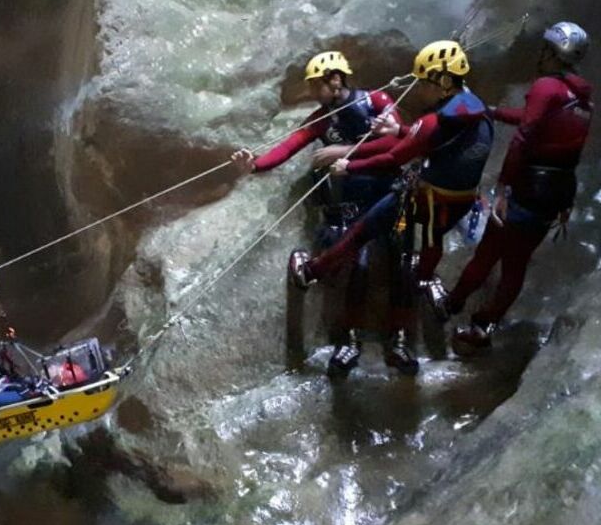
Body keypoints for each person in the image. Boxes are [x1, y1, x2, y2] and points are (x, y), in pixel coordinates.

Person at [288, 40, 495, 374]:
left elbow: (396, 155)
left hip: (411, 202)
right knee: (403, 264)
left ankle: (313, 273)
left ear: (442, 81)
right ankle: (400, 341)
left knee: (360, 239)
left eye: (425, 82)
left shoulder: (430, 122)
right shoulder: (482, 114)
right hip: (448, 206)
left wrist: (348, 164)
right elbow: (425, 142)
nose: (421, 91)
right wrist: (398, 130)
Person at [232, 50, 406, 376]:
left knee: (401, 263)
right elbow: (289, 146)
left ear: (335, 79)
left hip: (389, 196)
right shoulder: (322, 119)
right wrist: (254, 165)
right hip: (354, 204)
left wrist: (344, 151)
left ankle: (397, 341)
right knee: (359, 266)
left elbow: (403, 142)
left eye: (316, 85)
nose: (313, 92)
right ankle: (348, 341)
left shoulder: (377, 101)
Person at [438, 22, 593, 351]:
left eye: (545, 49)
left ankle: (450, 305)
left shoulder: (547, 86)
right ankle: (483, 326)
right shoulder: (580, 98)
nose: (540, 55)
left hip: (528, 187)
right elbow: (536, 121)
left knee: (488, 253)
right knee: (516, 264)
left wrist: (503, 187)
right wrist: (492, 111)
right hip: (556, 191)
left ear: (552, 53)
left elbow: (525, 136)